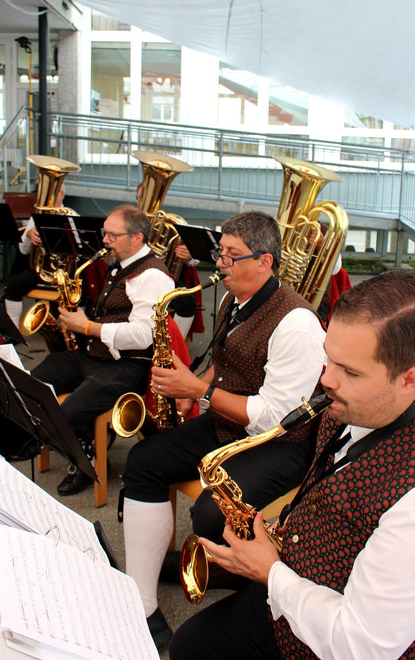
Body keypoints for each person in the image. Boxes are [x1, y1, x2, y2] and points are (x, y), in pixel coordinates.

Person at [169, 269, 415, 660]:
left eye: (350, 371)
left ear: (409, 380)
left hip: (336, 640)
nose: (326, 380)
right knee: (188, 645)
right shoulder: (357, 404)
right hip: (301, 587)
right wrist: (285, 528)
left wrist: (271, 574)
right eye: (328, 358)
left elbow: (359, 646)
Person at [122, 210, 326, 648]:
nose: (220, 263)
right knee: (143, 461)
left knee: (210, 513)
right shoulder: (235, 297)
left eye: (232, 255)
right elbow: (227, 357)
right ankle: (142, 604)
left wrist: (198, 390)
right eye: (221, 252)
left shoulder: (297, 325)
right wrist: (194, 386)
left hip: (282, 443)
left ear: (265, 262)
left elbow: (275, 418)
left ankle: (243, 580)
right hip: (229, 423)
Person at [31, 204, 174, 496]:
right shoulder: (120, 263)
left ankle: (88, 461)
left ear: (137, 238)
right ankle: (89, 441)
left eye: (112, 235)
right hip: (96, 355)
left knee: (67, 414)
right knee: (33, 383)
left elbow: (142, 335)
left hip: (129, 365)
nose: (105, 240)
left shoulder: (153, 277)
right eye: (104, 233)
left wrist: (87, 327)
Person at [136, 182, 205, 340]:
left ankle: (174, 345)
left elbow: (194, 260)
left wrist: (189, 254)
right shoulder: (126, 221)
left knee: (187, 302)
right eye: (140, 197)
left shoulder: (170, 222)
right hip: (133, 275)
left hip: (164, 276)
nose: (142, 201)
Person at [3, 185, 67, 329]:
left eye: (52, 193)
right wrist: (28, 235)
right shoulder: (36, 217)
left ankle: (74, 332)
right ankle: (13, 330)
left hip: (64, 272)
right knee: (13, 286)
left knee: (82, 292)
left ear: (61, 194)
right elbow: (23, 250)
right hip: (41, 271)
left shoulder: (72, 216)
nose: (46, 197)